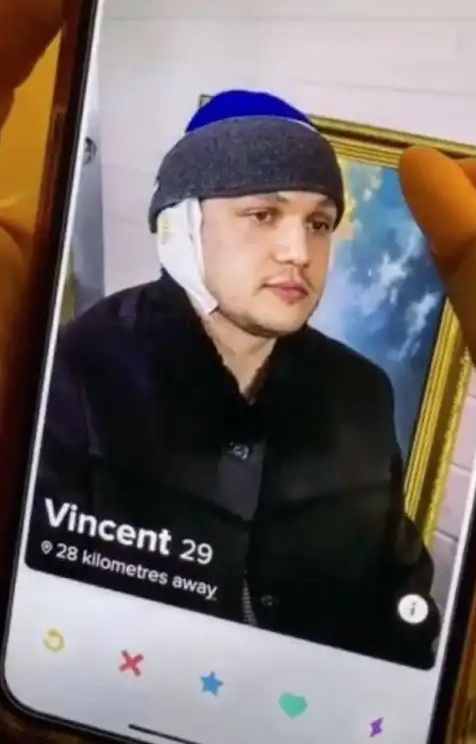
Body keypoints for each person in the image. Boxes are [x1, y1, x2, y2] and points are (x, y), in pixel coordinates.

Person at [29, 84, 441, 668]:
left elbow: (401, 584)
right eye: (263, 215)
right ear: (179, 228)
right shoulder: (79, 366)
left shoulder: (362, 392)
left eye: (319, 223)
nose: (298, 251)